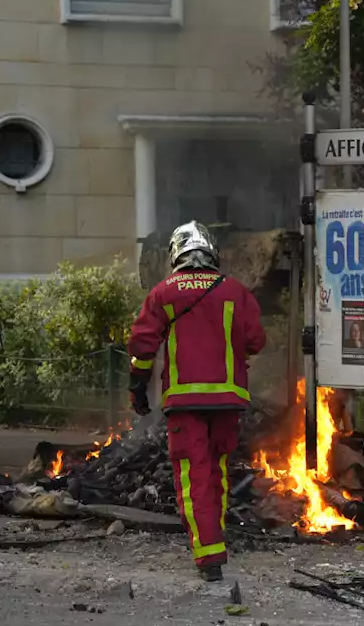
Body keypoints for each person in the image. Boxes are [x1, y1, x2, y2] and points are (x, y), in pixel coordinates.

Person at [128, 221, 266, 582]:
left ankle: (208, 555)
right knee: (217, 471)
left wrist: (137, 388)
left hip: (185, 402)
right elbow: (255, 340)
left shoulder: (163, 293)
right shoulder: (234, 291)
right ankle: (213, 541)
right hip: (227, 401)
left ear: (176, 254)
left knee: (192, 476)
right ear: (212, 252)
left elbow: (142, 348)